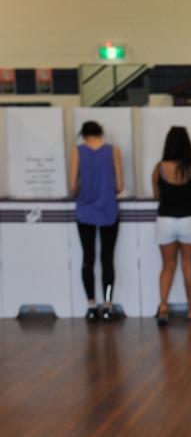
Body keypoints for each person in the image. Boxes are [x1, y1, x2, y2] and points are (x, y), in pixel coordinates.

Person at [69, 120, 123, 321]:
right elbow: (119, 185)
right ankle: (108, 305)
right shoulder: (113, 150)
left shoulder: (78, 151)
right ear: (101, 133)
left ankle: (91, 306)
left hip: (85, 211)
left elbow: (73, 184)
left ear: (83, 135)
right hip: (108, 210)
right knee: (107, 259)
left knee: (88, 258)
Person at [152, 126, 191, 326]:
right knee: (188, 266)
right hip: (189, 219)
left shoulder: (159, 168)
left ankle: (163, 306)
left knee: (167, 266)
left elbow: (157, 195)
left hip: (165, 219)